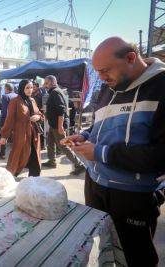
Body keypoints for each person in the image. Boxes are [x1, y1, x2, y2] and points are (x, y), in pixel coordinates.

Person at [63, 37, 165, 266]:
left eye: (105, 70)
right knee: (101, 248)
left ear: (130, 58)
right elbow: (100, 124)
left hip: (133, 195)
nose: (101, 77)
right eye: (97, 72)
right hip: (95, 184)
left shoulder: (161, 86)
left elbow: (161, 155)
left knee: (136, 257)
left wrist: (101, 153)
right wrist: (86, 136)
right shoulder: (110, 87)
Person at [41, 75, 85, 175]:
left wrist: (60, 126)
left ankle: (79, 165)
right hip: (54, 124)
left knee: (64, 145)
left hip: (58, 125)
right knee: (50, 142)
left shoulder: (55, 92)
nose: (44, 85)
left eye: (46, 83)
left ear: (52, 83)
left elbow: (61, 110)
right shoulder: (53, 92)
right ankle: (52, 161)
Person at [0, 80, 42, 177]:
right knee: (17, 157)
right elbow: (9, 119)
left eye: (31, 88)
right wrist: (4, 136)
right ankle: (8, 178)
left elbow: (39, 114)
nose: (30, 90)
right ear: (22, 88)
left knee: (35, 159)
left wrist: (38, 117)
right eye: (27, 88)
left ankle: (33, 181)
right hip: (21, 135)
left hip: (34, 135)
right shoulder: (15, 101)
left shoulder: (32, 100)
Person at [0, 83, 17, 159]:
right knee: (15, 137)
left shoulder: (5, 96)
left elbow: (4, 111)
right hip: (16, 120)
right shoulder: (17, 95)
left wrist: (2, 123)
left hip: (7, 120)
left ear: (6, 89)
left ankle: (2, 154)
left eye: (4, 89)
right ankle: (16, 154)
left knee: (4, 136)